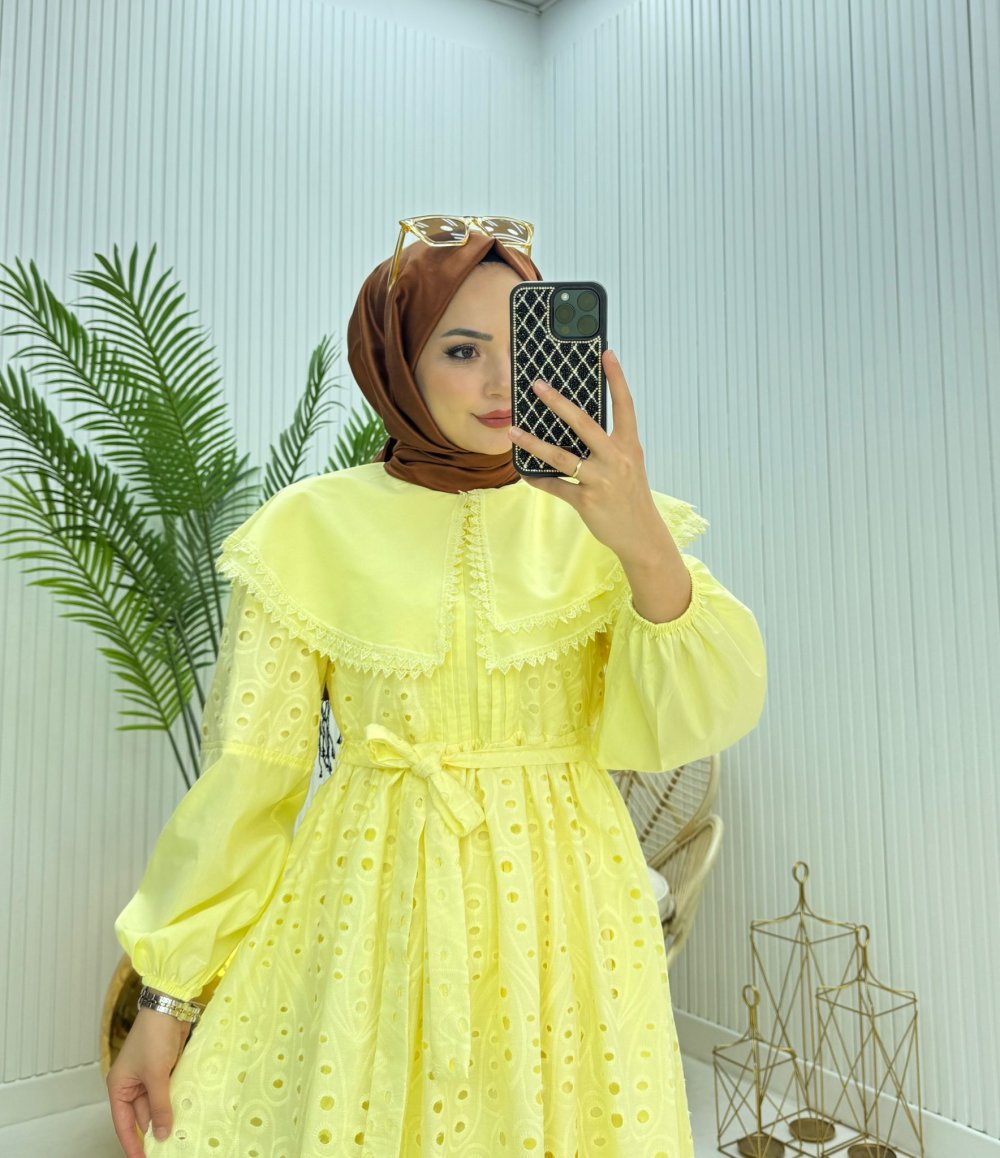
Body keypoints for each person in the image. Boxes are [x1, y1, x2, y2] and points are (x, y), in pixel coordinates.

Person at [106, 221, 767, 1156]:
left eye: (522, 349)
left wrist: (642, 539)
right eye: (462, 351)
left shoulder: (604, 520)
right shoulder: (309, 531)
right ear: (396, 363)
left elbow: (699, 715)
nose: (503, 383)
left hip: (568, 916)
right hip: (371, 905)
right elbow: (248, 780)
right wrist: (167, 996)